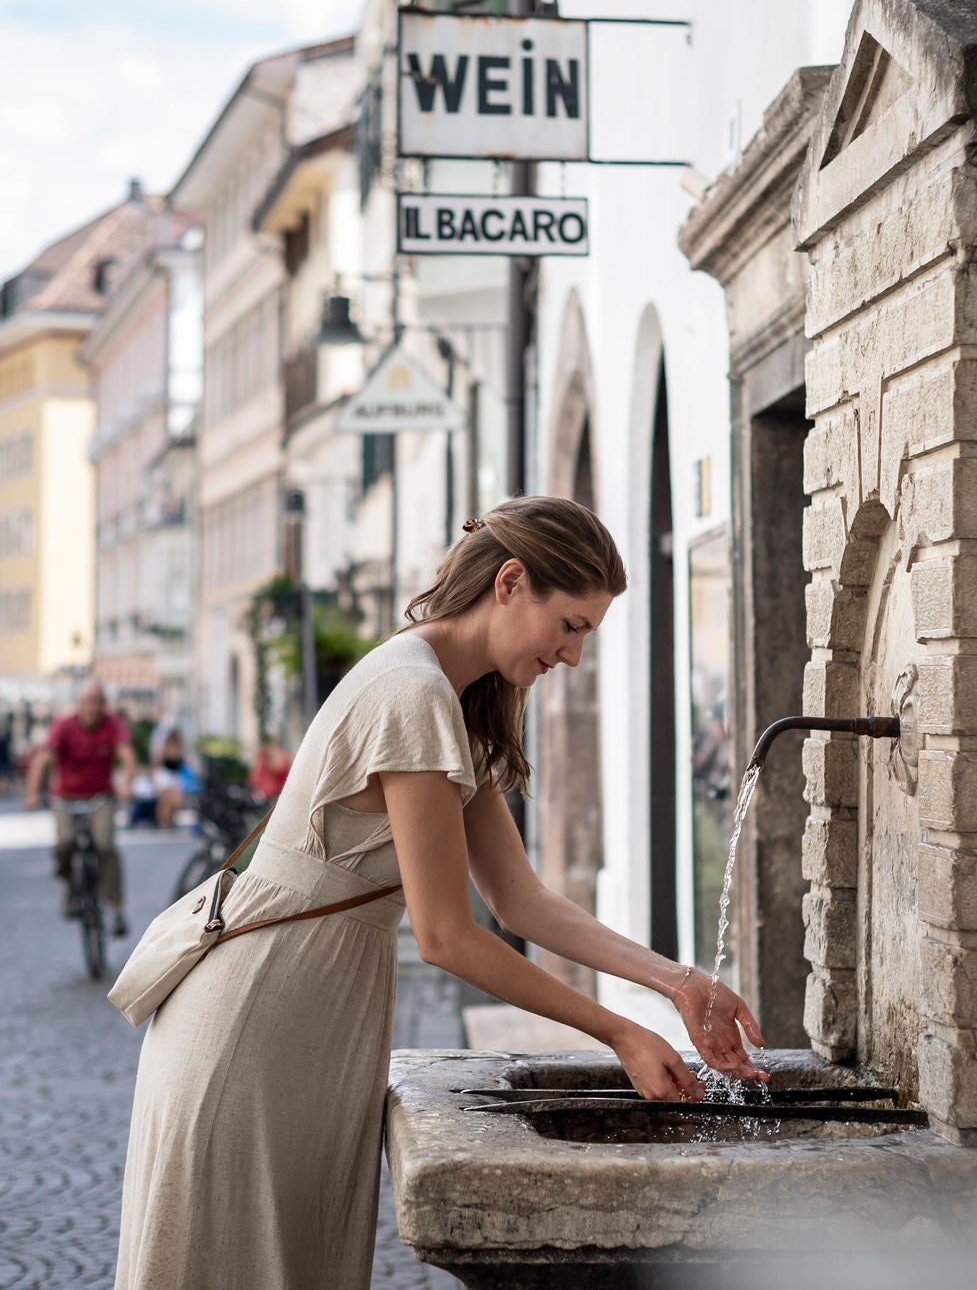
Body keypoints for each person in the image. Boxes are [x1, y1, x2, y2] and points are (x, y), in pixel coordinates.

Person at [113, 497, 767, 1289]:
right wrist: (619, 1031)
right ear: (511, 581)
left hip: (304, 1018)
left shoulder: (452, 697)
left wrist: (677, 980)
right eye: (571, 625)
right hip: (256, 1026)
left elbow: (521, 900)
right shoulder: (414, 691)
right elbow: (447, 936)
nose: (573, 655)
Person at [25, 683, 137, 936]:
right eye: (88, 701)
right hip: (65, 797)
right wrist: (33, 792)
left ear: (104, 704)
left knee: (105, 845)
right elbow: (44, 760)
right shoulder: (64, 726)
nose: (93, 707)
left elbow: (126, 755)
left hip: (101, 797)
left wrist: (128, 784)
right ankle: (70, 885)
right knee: (64, 843)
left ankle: (116, 908)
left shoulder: (113, 724)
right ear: (79, 703)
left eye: (98, 702)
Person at [147, 724, 195, 828]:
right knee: (165, 798)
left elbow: (184, 766)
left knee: (174, 798)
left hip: (174, 778)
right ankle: (163, 821)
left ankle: (168, 820)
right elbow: (156, 766)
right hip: (164, 776)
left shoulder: (180, 751)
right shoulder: (163, 749)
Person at [246, 734, 292, 803]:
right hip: (267, 795)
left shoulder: (281, 757)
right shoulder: (263, 758)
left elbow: (278, 769)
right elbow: (253, 777)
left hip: (277, 795)